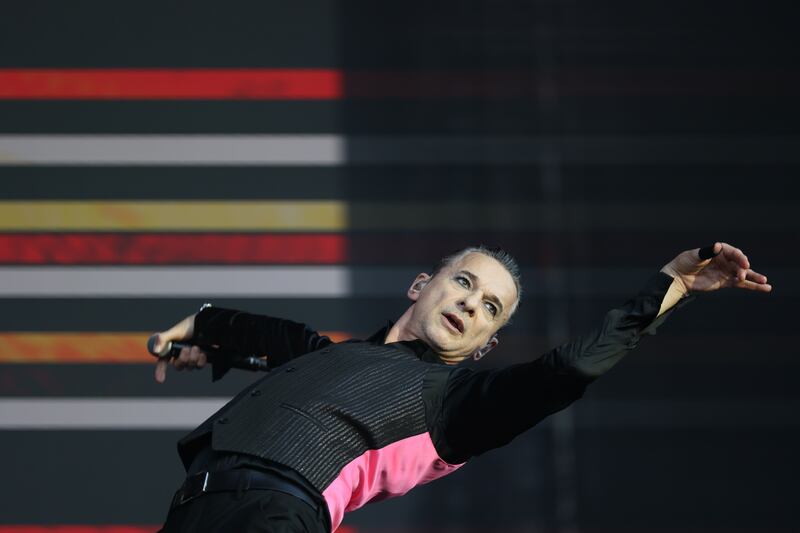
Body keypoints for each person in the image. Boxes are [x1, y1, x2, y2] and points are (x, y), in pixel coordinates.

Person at [152, 242, 770, 532]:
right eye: (466, 283)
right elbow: (279, 338)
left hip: (274, 519)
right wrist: (203, 331)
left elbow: (571, 370)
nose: (473, 305)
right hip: (193, 513)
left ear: (484, 345)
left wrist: (672, 285)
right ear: (422, 284)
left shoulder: (452, 404)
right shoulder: (331, 357)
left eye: (491, 308)